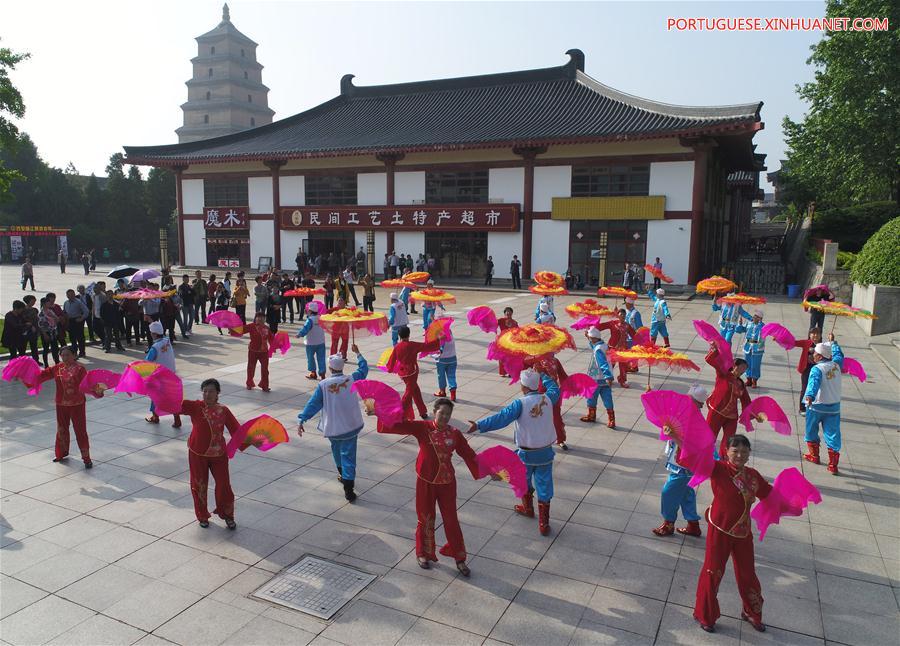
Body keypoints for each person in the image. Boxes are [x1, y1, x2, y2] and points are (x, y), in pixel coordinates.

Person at [379, 398, 482, 575]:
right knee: (425, 517)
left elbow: (469, 455)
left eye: (448, 414)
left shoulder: (455, 434)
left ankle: (459, 558)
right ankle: (423, 553)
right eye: (442, 413)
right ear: (434, 412)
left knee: (451, 520)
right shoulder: (422, 428)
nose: (445, 417)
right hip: (425, 481)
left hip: (447, 483)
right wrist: (380, 413)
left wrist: (489, 471)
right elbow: (399, 425)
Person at [694, 434, 771, 634]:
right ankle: (705, 615)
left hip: (743, 532)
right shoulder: (718, 469)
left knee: (748, 574)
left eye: (744, 452)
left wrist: (794, 497)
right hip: (719, 528)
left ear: (749, 454)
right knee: (713, 571)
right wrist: (676, 437)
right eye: (735, 451)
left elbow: (769, 494)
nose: (739, 455)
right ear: (726, 452)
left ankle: (751, 612)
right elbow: (694, 457)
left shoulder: (753, 476)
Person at [468, 369, 559, 535]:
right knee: (544, 485)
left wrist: (480, 425)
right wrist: (545, 376)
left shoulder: (520, 404)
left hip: (526, 454)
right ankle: (543, 524)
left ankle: (528, 509)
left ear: (523, 387)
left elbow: (501, 418)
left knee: (523, 481)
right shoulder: (548, 398)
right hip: (545, 453)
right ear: (537, 385)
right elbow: (555, 389)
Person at [297, 345, 369, 502]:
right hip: (350, 426)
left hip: (334, 428)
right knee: (348, 456)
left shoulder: (323, 385)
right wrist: (358, 353)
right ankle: (348, 489)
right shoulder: (352, 378)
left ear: (330, 368)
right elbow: (364, 368)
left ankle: (342, 474)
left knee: (337, 451)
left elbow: (313, 404)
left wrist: (302, 418)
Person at [179, 379, 240, 529]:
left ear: (218, 393)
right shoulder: (195, 406)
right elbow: (174, 404)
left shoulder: (223, 410)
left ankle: (227, 515)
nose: (207, 394)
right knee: (199, 485)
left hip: (219, 454)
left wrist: (253, 440)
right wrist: (157, 390)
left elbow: (237, 431)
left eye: (211, 391)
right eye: (205, 391)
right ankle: (202, 515)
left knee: (224, 485)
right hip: (197, 453)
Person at [653, 384, 706, 538]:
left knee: (668, 492)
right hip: (680, 462)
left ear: (699, 404)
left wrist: (673, 436)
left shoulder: (696, 423)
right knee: (686, 493)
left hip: (685, 466)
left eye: (690, 400)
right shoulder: (684, 415)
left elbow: (691, 448)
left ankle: (668, 523)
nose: (685, 402)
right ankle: (693, 524)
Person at [34, 347, 92, 467]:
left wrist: (98, 390)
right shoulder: (57, 368)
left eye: (68, 355)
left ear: (74, 355)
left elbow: (88, 385)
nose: (65, 358)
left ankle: (86, 458)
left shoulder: (80, 369)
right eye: (63, 355)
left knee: (80, 431)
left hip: (77, 404)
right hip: (61, 404)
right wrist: (26, 375)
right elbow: (41, 375)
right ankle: (61, 453)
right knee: (62, 429)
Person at [803, 334, 844, 474]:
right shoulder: (837, 365)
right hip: (833, 407)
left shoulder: (817, 369)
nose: (813, 354)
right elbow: (838, 354)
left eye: (815, 353)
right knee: (832, 434)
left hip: (816, 406)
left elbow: (813, 383)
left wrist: (809, 396)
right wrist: (833, 342)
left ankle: (814, 456)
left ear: (820, 356)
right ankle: (833, 465)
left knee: (811, 430)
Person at [705, 343, 753, 457]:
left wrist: (754, 414)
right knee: (709, 437)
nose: (742, 372)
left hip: (731, 416)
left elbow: (746, 401)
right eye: (741, 369)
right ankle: (704, 457)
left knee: (729, 441)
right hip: (716, 411)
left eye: (744, 371)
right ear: (734, 365)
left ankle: (723, 461)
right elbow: (709, 359)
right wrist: (715, 350)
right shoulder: (723, 374)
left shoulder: (740, 383)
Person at [386, 325, 442, 421]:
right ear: (409, 335)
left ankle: (422, 411)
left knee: (415, 391)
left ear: (399, 335)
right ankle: (399, 412)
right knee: (409, 393)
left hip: (402, 373)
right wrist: (437, 339)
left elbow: (391, 361)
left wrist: (390, 368)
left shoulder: (397, 347)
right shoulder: (412, 345)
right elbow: (427, 346)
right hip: (412, 371)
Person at [526, 354, 570, 449]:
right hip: (540, 393)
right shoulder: (537, 361)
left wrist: (570, 383)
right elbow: (527, 367)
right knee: (539, 416)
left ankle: (560, 439)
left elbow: (562, 374)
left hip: (553, 392)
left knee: (556, 417)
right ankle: (538, 439)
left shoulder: (555, 361)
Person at [144, 321, 182, 428]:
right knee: (172, 398)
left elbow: (147, 362)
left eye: (151, 332)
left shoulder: (155, 348)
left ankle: (155, 417)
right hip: (171, 375)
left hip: (160, 378)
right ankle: (177, 419)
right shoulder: (167, 341)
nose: (150, 334)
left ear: (155, 334)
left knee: (154, 396)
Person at [581, 327, 616, 428]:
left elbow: (603, 363)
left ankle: (592, 415)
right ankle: (611, 420)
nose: (590, 339)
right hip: (604, 379)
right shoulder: (603, 345)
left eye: (591, 337)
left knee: (591, 397)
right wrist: (588, 337)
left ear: (595, 338)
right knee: (607, 399)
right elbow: (594, 345)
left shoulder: (598, 350)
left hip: (596, 378)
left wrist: (608, 376)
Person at [597, 309, 636, 388]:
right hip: (613, 348)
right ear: (618, 315)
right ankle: (609, 379)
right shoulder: (613, 323)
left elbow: (634, 335)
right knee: (611, 365)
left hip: (623, 349)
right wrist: (592, 328)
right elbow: (601, 326)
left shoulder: (627, 325)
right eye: (621, 314)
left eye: (624, 315)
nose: (622, 316)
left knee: (623, 366)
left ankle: (622, 380)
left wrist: (643, 341)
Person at [239, 311, 272, 392]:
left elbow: (272, 340)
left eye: (262, 317)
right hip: (253, 351)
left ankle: (265, 385)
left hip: (264, 352)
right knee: (251, 368)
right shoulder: (251, 326)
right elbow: (241, 330)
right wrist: (232, 329)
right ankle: (249, 384)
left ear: (265, 319)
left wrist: (278, 345)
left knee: (265, 369)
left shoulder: (267, 328)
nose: (260, 319)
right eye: (259, 317)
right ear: (256, 318)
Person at [794, 327, 822, 415]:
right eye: (813, 333)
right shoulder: (806, 343)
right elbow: (793, 342)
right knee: (805, 388)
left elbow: (830, 353)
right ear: (809, 335)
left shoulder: (822, 346)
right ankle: (802, 409)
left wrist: (832, 341)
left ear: (820, 335)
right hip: (806, 369)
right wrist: (780, 339)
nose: (815, 335)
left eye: (817, 333)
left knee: (815, 388)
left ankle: (812, 406)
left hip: (817, 370)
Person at [297, 302, 327, 380]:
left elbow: (305, 329)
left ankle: (313, 373)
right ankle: (322, 374)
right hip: (321, 341)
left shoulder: (310, 320)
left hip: (311, 343)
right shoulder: (321, 318)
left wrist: (299, 334)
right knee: (321, 358)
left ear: (310, 311)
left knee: (310, 358)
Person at [432, 327, 458, 401]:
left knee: (441, 376)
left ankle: (442, 391)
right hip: (453, 358)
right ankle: (453, 394)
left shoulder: (439, 336)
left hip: (442, 360)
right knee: (451, 376)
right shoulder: (450, 332)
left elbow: (437, 349)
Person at [742, 310, 765, 388]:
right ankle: (748, 380)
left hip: (757, 348)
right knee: (747, 363)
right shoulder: (748, 324)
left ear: (760, 318)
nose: (754, 317)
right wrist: (740, 324)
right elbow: (740, 330)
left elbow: (769, 333)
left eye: (756, 316)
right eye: (754, 315)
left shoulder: (763, 326)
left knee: (755, 365)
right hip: (748, 346)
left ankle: (754, 381)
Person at [63, 289, 89, 357]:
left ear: (74, 294)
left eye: (72, 294)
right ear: (67, 296)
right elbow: (64, 312)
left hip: (77, 321)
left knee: (80, 337)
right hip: (70, 321)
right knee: (72, 338)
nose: (70, 296)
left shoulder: (78, 302)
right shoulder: (66, 303)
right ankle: (74, 353)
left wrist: (82, 318)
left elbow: (86, 311)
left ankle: (82, 352)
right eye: (69, 295)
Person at [38, 296, 62, 367]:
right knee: (46, 349)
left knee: (55, 348)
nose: (50, 303)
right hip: (46, 333)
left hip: (53, 332)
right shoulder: (41, 313)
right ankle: (46, 364)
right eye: (48, 302)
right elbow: (41, 325)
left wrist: (54, 316)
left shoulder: (50, 311)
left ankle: (57, 363)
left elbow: (57, 320)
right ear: (44, 304)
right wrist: (45, 334)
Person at [497, 307, 518, 377]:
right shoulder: (501, 320)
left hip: (511, 342)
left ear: (512, 313)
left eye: (509, 312)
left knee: (510, 358)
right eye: (507, 312)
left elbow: (518, 332)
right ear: (504, 313)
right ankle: (502, 372)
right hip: (502, 341)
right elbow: (493, 323)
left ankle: (510, 372)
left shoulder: (515, 322)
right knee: (502, 357)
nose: (508, 313)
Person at [21, 295, 40, 362]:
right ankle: (22, 361)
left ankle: (36, 360)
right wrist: (31, 326)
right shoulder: (23, 310)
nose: (34, 302)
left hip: (34, 331)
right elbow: (24, 320)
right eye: (33, 301)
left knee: (34, 347)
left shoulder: (34, 309)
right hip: (26, 331)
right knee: (23, 347)